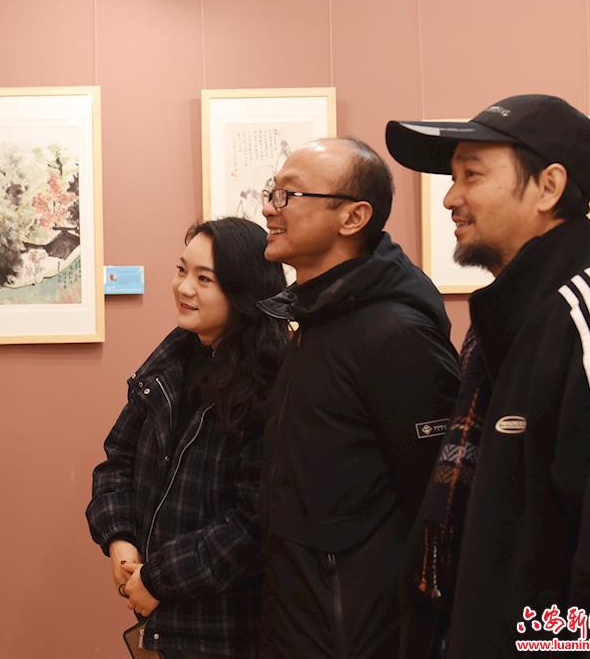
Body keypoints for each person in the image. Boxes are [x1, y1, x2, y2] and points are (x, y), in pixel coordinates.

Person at [386, 94, 590, 657]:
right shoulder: (501, 322)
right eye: (453, 178)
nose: (450, 198)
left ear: (548, 187)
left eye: (471, 175)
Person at [255, 137, 460, 659]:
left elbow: (436, 498)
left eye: (289, 195)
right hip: (302, 617)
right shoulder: (317, 318)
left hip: (359, 628)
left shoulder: (395, 333)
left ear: (353, 217)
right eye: (272, 193)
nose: (270, 208)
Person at [86, 217, 288, 659]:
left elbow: (253, 525)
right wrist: (119, 539)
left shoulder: (270, 382)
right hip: (163, 624)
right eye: (181, 270)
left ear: (243, 290)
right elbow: (117, 460)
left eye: (204, 279)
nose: (183, 288)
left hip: (227, 628)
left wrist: (158, 579)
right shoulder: (171, 361)